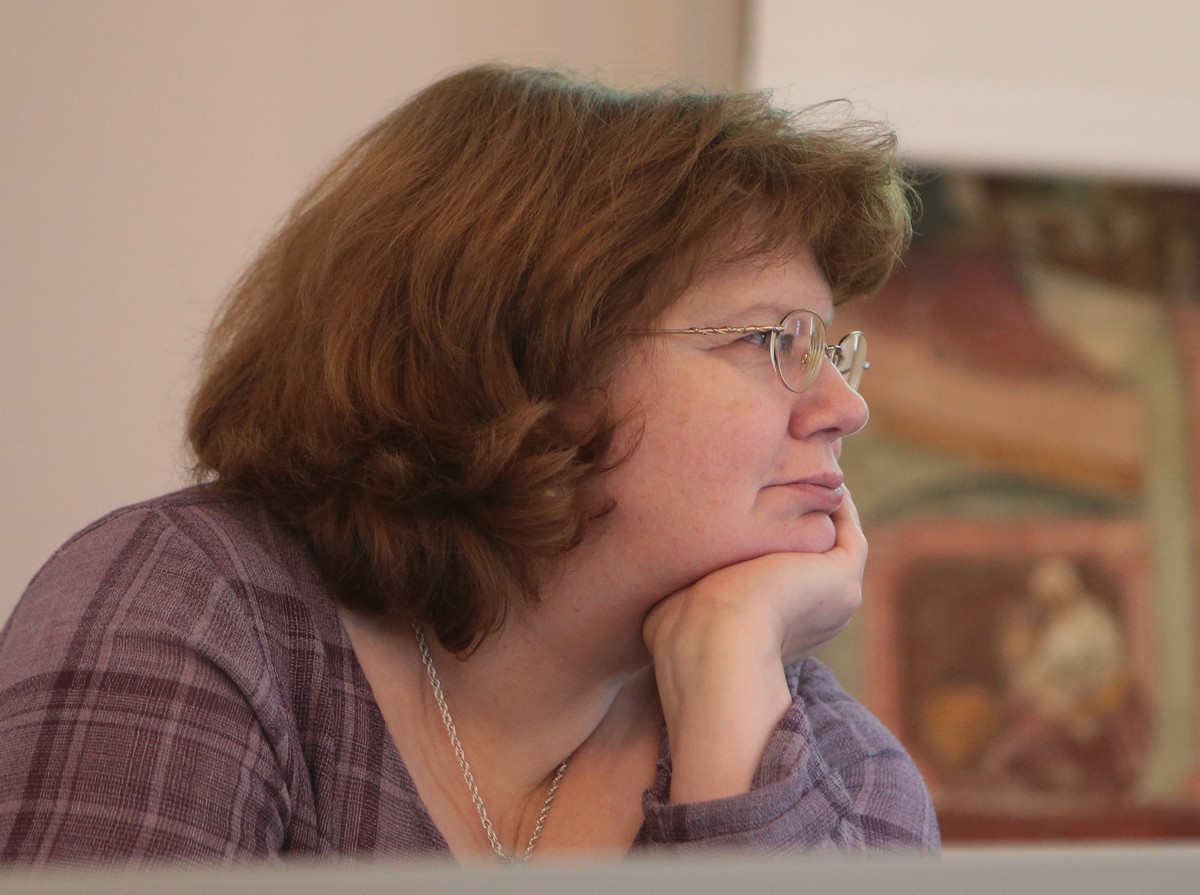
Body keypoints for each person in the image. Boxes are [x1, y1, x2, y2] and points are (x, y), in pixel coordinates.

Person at [0, 64, 939, 867]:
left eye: (831, 351)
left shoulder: (841, 775)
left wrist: (730, 676)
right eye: (774, 341)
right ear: (531, 358)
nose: (845, 407)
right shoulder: (190, 610)